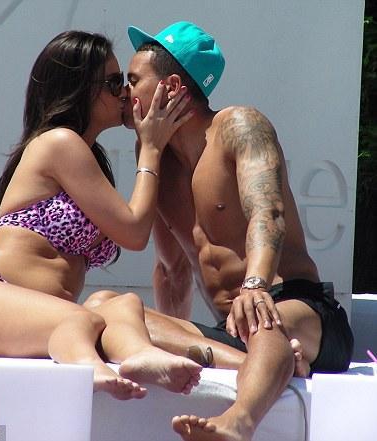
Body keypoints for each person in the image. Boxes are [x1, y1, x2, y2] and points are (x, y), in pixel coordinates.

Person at [121, 21, 354, 440]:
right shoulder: (155, 156)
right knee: (109, 309)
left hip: (298, 308)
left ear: (171, 87)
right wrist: (169, 340)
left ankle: (238, 422)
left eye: (133, 80)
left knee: (261, 323)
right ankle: (269, 362)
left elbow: (268, 211)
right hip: (231, 330)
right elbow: (172, 271)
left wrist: (255, 285)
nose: (125, 92)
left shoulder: (239, 125)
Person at [0, 30, 202, 401]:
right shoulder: (60, 143)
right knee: (83, 319)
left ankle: (140, 355)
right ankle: (88, 368)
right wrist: (151, 149)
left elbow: (141, 231)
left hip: (45, 318)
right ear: (80, 89)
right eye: (113, 83)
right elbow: (133, 233)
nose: (124, 93)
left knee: (123, 305)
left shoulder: (87, 158)